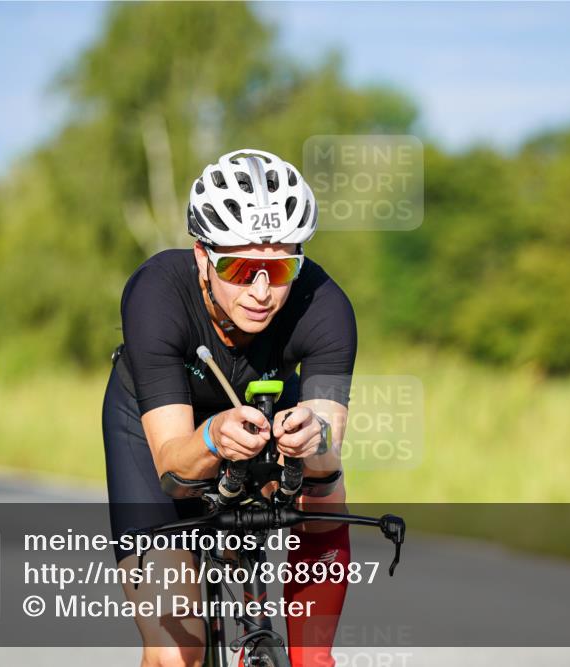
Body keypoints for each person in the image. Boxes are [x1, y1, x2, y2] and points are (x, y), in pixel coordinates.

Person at [103, 148, 356, 666]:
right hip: (157, 428)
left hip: (264, 412)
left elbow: (329, 444)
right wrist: (214, 436)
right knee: (179, 652)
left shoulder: (325, 306)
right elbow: (174, 466)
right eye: (240, 267)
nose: (262, 291)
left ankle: (314, 659)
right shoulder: (156, 295)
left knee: (324, 481)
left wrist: (314, 438)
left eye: (281, 266)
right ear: (202, 257)